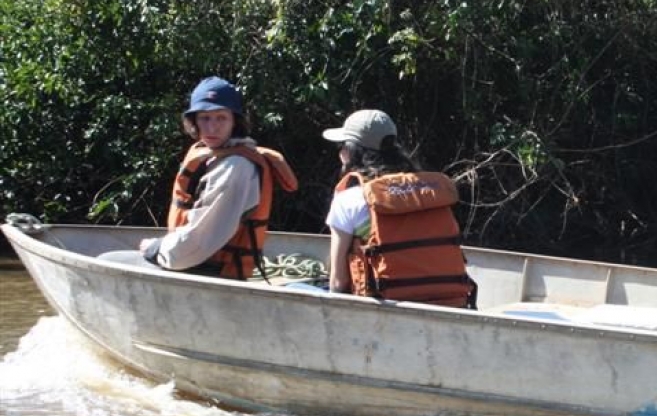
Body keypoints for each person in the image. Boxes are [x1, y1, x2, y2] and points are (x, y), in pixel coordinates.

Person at [99, 76, 296, 278]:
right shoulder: (214, 155)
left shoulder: (236, 167)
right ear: (194, 121)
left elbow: (201, 239)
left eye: (221, 118)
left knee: (107, 262)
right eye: (204, 118)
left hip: (210, 269)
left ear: (235, 121)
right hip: (194, 259)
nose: (212, 128)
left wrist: (158, 248)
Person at [321, 109, 475, 307]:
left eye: (343, 146)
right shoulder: (430, 192)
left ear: (351, 152)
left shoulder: (349, 199)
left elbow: (338, 282)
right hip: (450, 302)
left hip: (383, 308)